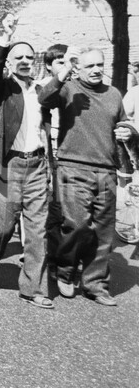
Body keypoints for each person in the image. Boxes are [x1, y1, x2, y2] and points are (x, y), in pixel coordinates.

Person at [39, 47, 132, 306]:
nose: (96, 70)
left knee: (103, 232)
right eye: (89, 66)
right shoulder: (69, 88)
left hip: (106, 169)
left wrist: (126, 132)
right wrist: (63, 73)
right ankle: (65, 270)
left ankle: (96, 285)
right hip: (72, 167)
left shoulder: (113, 94)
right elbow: (44, 99)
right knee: (77, 224)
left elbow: (122, 123)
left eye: (100, 64)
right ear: (78, 67)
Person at [0, 14, 53, 308]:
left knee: (37, 228)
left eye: (29, 57)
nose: (24, 61)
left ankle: (32, 287)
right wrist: (5, 37)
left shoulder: (40, 91)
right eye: (18, 57)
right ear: (10, 62)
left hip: (36, 166)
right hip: (7, 167)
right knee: (2, 227)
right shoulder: (2, 88)